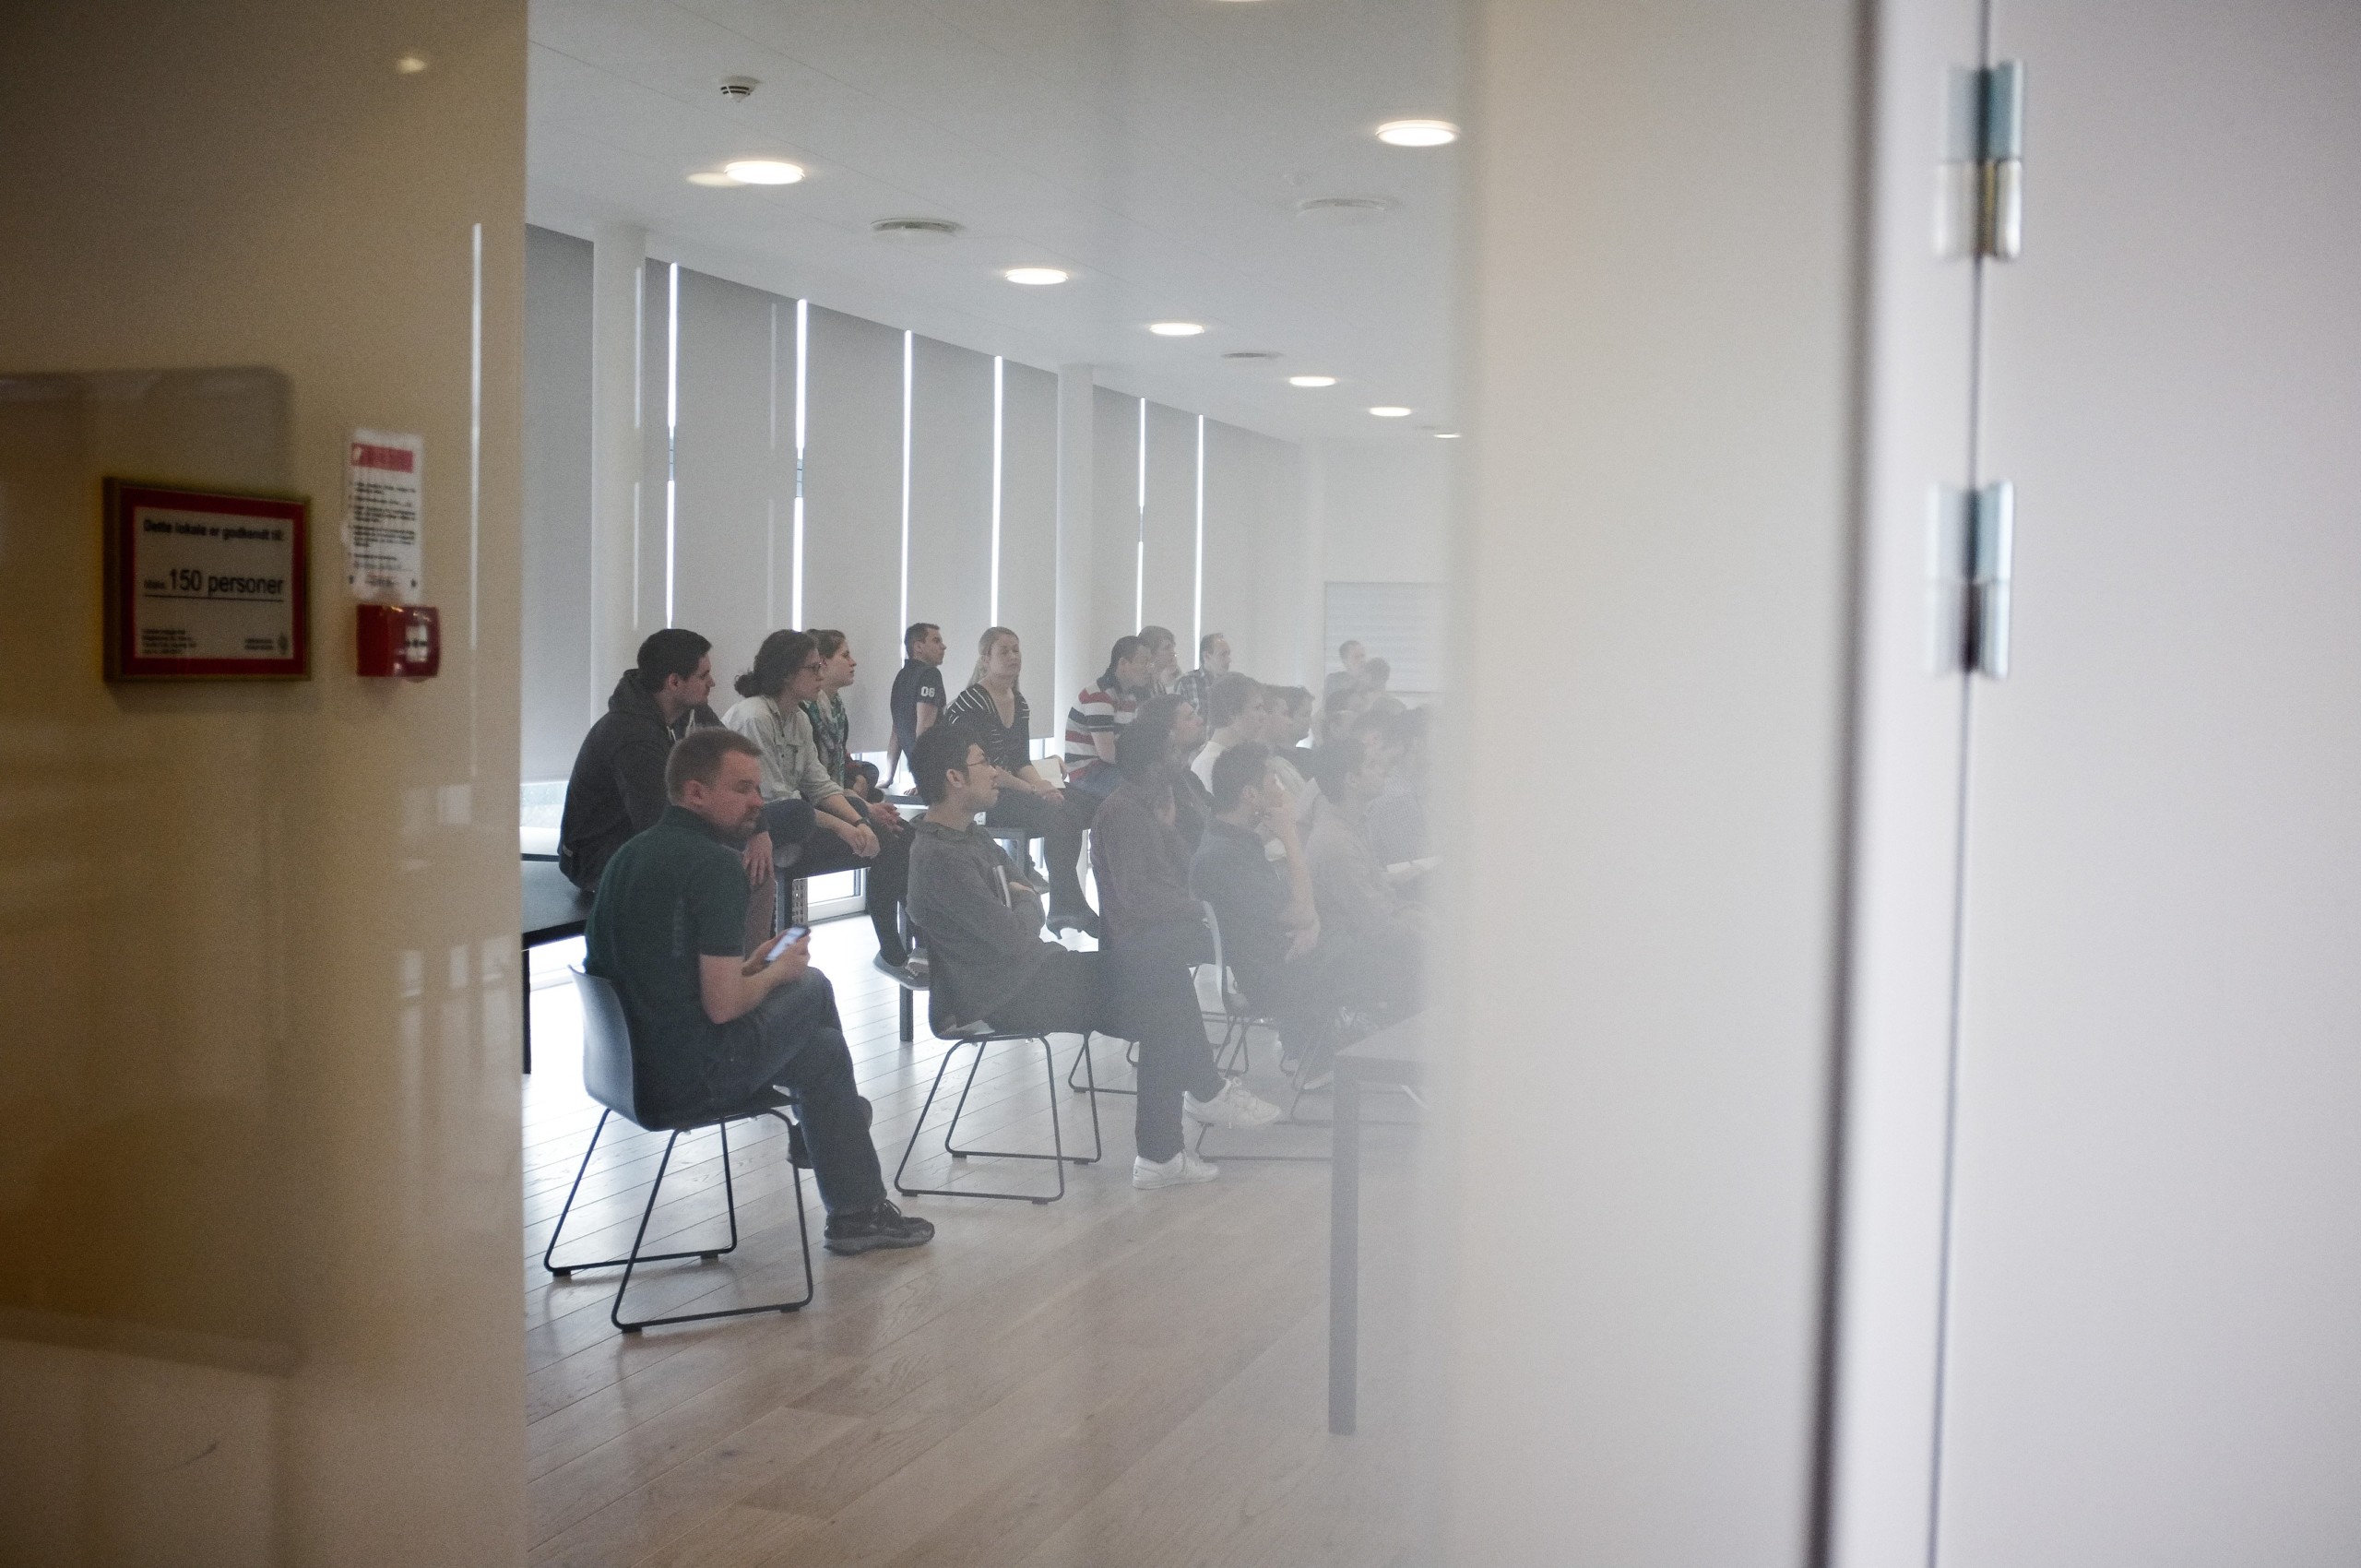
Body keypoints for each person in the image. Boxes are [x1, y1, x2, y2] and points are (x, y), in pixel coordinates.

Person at [582, 726, 933, 1254]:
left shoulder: (631, 855)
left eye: (758, 789)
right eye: (743, 789)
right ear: (695, 792)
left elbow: (675, 976)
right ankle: (839, 1148)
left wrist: (751, 964)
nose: (757, 804)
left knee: (821, 1052)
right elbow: (723, 1007)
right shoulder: (713, 867)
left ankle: (845, 1181)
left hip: (624, 1070)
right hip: (688, 1076)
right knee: (811, 983)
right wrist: (778, 971)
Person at [906, 723, 1274, 1188]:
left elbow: (1028, 889)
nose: (996, 774)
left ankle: (1189, 1114)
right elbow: (1022, 921)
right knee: (1161, 1002)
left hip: (1033, 971)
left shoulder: (968, 837)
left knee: (1161, 976)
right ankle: (1179, 1128)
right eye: (984, 763)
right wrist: (1025, 902)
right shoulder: (940, 856)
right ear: (954, 778)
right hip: (1002, 993)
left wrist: (1025, 899)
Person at [1193, 740, 1404, 1069]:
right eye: (1272, 782)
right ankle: (1396, 1058)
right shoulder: (1224, 857)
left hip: (1291, 953)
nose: (1280, 788)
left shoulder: (1232, 839)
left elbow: (1299, 911)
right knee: (1399, 953)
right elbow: (1299, 911)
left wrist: (1312, 925)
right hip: (1278, 975)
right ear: (1250, 795)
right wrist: (1290, 836)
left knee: (1378, 936)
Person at [721, 630, 915, 975]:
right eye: (813, 669)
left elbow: (820, 784)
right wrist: (847, 826)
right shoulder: (754, 717)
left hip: (790, 815)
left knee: (894, 834)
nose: (821, 675)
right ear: (786, 673)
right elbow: (774, 801)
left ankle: (898, 949)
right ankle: (771, 961)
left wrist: (858, 823)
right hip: (747, 827)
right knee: (801, 812)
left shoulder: (797, 717)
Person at [559, 627, 751, 893]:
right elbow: (656, 822)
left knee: (776, 829)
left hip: (651, 836)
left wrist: (758, 830)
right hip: (601, 857)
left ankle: (760, 934)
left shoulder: (692, 710)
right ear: (674, 682)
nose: (713, 682)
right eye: (703, 675)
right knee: (728, 866)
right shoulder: (631, 735)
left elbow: (735, 762)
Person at [942, 626, 1100, 934]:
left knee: (1091, 803)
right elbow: (988, 769)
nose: (1014, 656)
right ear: (986, 659)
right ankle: (1066, 905)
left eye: (1016, 649)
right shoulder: (973, 702)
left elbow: (1020, 760)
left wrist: (1043, 785)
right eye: (1004, 651)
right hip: (985, 794)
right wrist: (1036, 789)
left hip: (1012, 786)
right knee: (1061, 811)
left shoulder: (1019, 701)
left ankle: (1068, 903)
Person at [1304, 728, 1430, 997]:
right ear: (1351, 780)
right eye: (1371, 765)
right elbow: (1378, 927)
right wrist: (1430, 931)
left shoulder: (1354, 825)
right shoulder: (1336, 843)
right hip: (1358, 958)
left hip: (1371, 941)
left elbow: (1382, 899)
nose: (1383, 770)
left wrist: (1416, 913)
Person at [1062, 635, 1152, 805]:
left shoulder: (1130, 696)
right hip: (1088, 774)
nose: (1149, 668)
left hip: (1110, 770)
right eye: (1144, 662)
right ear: (1123, 663)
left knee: (1159, 783)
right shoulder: (1098, 695)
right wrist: (1141, 765)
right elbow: (1108, 753)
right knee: (1143, 792)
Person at [885, 621, 948, 789]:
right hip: (937, 774)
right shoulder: (930, 674)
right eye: (936, 641)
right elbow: (925, 728)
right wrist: (924, 780)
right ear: (919, 647)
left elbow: (896, 730)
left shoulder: (901, 676)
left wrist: (888, 777)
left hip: (924, 773)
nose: (944, 646)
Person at [1188, 672, 1266, 791]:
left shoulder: (1245, 758)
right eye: (1257, 708)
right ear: (1231, 714)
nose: (1264, 716)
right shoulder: (1208, 764)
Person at [1171, 631, 1230, 717]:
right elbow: (1178, 720)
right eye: (1223, 654)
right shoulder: (1186, 682)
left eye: (1228, 654)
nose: (1229, 660)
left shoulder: (1231, 684)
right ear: (1206, 656)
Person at [1137, 624, 1180, 696]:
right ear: (1150, 653)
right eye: (1167, 648)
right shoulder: (1140, 685)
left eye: (1172, 648)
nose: (1173, 653)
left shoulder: (1159, 684)